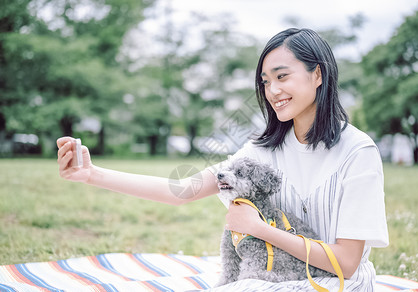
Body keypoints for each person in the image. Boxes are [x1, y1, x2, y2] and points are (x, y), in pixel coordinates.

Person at [57, 28, 389, 291]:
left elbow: (346, 263)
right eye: (265, 81)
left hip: (338, 285)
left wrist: (261, 230)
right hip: (272, 279)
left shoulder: (357, 152)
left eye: (282, 76)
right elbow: (181, 190)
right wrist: (91, 174)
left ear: (317, 75)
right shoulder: (263, 150)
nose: (272, 91)